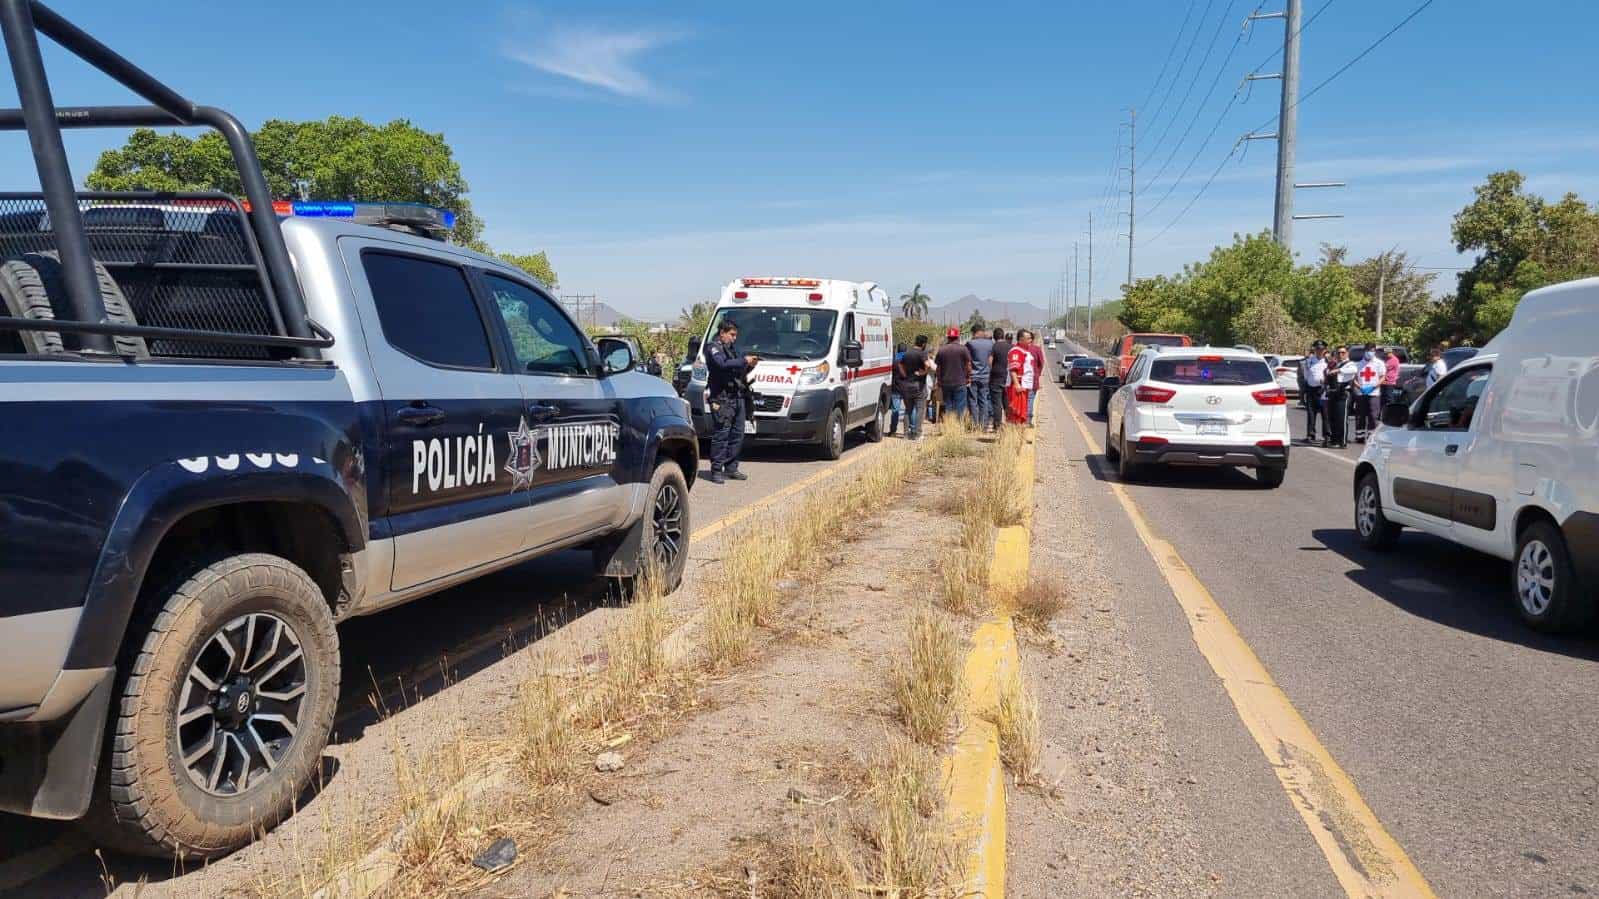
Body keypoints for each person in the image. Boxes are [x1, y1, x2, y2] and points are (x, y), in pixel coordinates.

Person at [703, 320, 758, 483]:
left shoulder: (731, 349)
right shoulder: (713, 348)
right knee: (722, 434)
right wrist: (744, 360)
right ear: (722, 333)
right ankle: (716, 470)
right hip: (722, 398)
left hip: (736, 396)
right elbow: (722, 364)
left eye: (735, 335)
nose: (734, 338)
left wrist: (750, 365)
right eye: (731, 335)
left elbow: (737, 369)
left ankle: (731, 467)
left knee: (737, 434)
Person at [935, 327, 972, 421]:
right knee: (960, 407)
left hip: (946, 383)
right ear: (958, 337)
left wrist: (939, 381)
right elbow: (968, 365)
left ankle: (950, 425)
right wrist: (968, 377)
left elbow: (938, 368)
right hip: (960, 382)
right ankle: (958, 426)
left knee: (948, 406)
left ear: (948, 337)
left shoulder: (941, 350)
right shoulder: (963, 349)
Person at [897, 335, 930, 440]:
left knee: (908, 410)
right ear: (923, 344)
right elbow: (928, 365)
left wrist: (904, 374)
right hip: (918, 385)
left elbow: (900, 364)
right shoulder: (922, 353)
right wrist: (923, 373)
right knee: (920, 409)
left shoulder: (907, 353)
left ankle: (906, 434)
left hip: (907, 384)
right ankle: (918, 434)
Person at [1353, 342, 1386, 442]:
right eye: (1368, 350)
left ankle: (1372, 437)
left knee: (1373, 415)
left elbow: (1383, 377)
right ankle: (1360, 436)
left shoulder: (1379, 363)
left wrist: (1373, 387)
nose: (1370, 352)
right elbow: (1354, 379)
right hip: (1361, 393)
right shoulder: (1358, 364)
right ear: (1364, 351)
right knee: (1360, 415)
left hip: (1374, 393)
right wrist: (1360, 387)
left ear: (1375, 351)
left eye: (1372, 351)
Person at [966, 326, 995, 428]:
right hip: (986, 376)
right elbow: (991, 360)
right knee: (984, 400)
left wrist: (968, 375)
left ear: (974, 332)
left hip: (973, 376)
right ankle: (984, 424)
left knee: (973, 400)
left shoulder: (970, 344)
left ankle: (975, 424)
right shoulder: (990, 343)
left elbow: (968, 361)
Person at [1325, 345, 1353, 448]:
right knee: (1333, 418)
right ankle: (1334, 440)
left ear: (1347, 353)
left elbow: (1353, 370)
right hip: (1333, 393)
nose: (1341, 354)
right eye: (1339, 353)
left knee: (1341, 418)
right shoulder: (1336, 364)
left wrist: (1338, 370)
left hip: (1343, 393)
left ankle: (1342, 442)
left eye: (1343, 352)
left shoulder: (1350, 364)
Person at [1301, 341, 1328, 445]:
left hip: (1323, 390)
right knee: (1311, 413)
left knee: (1325, 414)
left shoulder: (1328, 361)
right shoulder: (1309, 361)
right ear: (1315, 350)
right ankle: (1310, 435)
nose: (1319, 351)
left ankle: (1326, 436)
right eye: (1317, 349)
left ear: (1324, 350)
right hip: (1311, 390)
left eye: (1321, 349)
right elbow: (1306, 376)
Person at [1006, 335, 1035, 425]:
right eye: (1028, 338)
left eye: (1031, 338)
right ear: (1021, 340)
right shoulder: (1016, 351)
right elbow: (1013, 369)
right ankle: (1014, 431)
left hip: (1023, 386)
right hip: (1017, 386)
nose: (1031, 340)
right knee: (1016, 413)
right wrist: (1017, 384)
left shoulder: (1024, 351)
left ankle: (1019, 431)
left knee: (1022, 412)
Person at [988, 329, 1013, 432]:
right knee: (1007, 402)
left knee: (997, 403)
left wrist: (992, 370)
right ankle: (1009, 423)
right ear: (1003, 336)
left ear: (994, 337)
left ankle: (997, 425)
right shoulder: (1011, 347)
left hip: (996, 379)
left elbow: (990, 361)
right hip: (1008, 379)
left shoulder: (994, 347)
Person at [1020, 330, 1045, 425]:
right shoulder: (1036, 349)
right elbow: (1041, 363)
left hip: (1021, 379)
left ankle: (1022, 419)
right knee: (1030, 399)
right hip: (1032, 379)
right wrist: (1037, 373)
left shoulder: (1019, 348)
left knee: (1023, 399)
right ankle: (1028, 420)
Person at [889, 342, 907, 436]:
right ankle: (907, 431)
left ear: (898, 350)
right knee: (909, 409)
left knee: (895, 410)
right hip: (907, 388)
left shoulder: (894, 359)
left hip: (896, 387)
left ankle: (893, 431)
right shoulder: (909, 359)